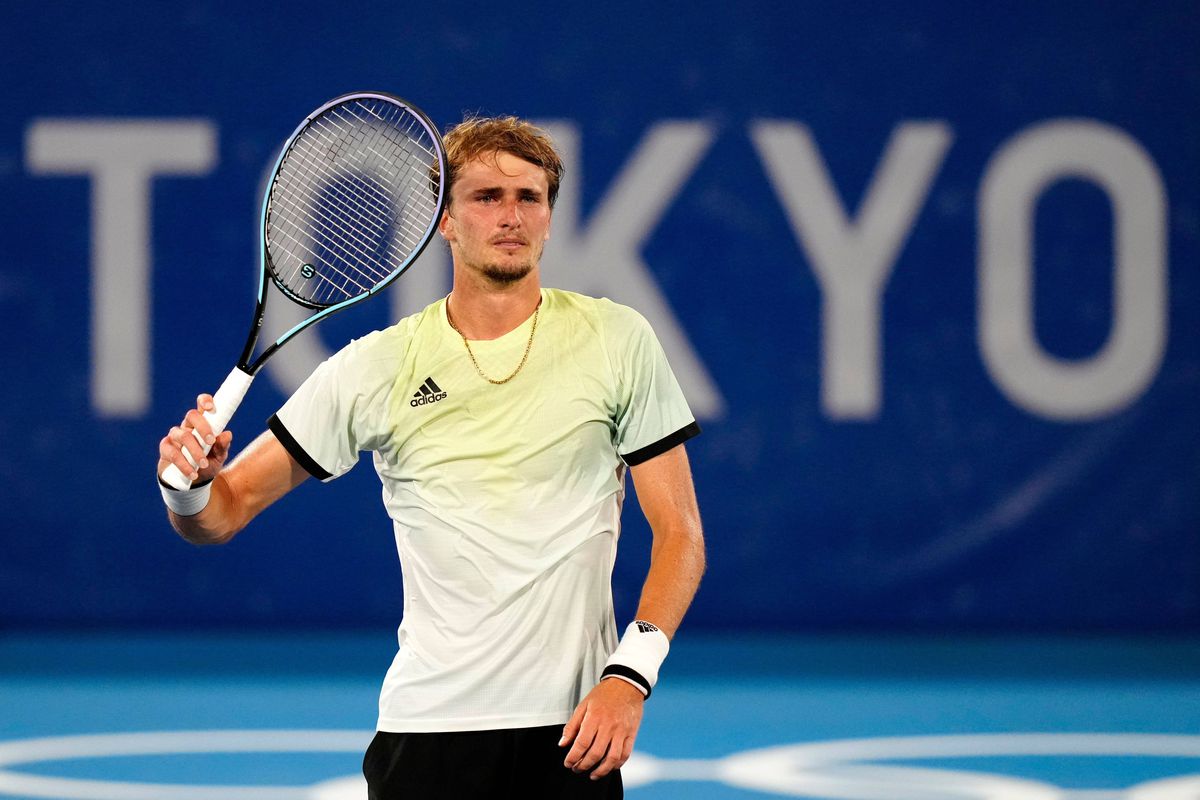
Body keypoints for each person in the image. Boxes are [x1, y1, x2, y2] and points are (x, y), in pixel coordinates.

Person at [157, 115, 706, 799]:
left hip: (570, 736)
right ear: (444, 220)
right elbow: (225, 511)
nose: (511, 215)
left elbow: (680, 533)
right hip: (427, 736)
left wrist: (630, 674)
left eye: (528, 198)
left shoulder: (618, 340)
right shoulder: (378, 367)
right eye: (486, 197)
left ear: (549, 217)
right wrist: (188, 489)